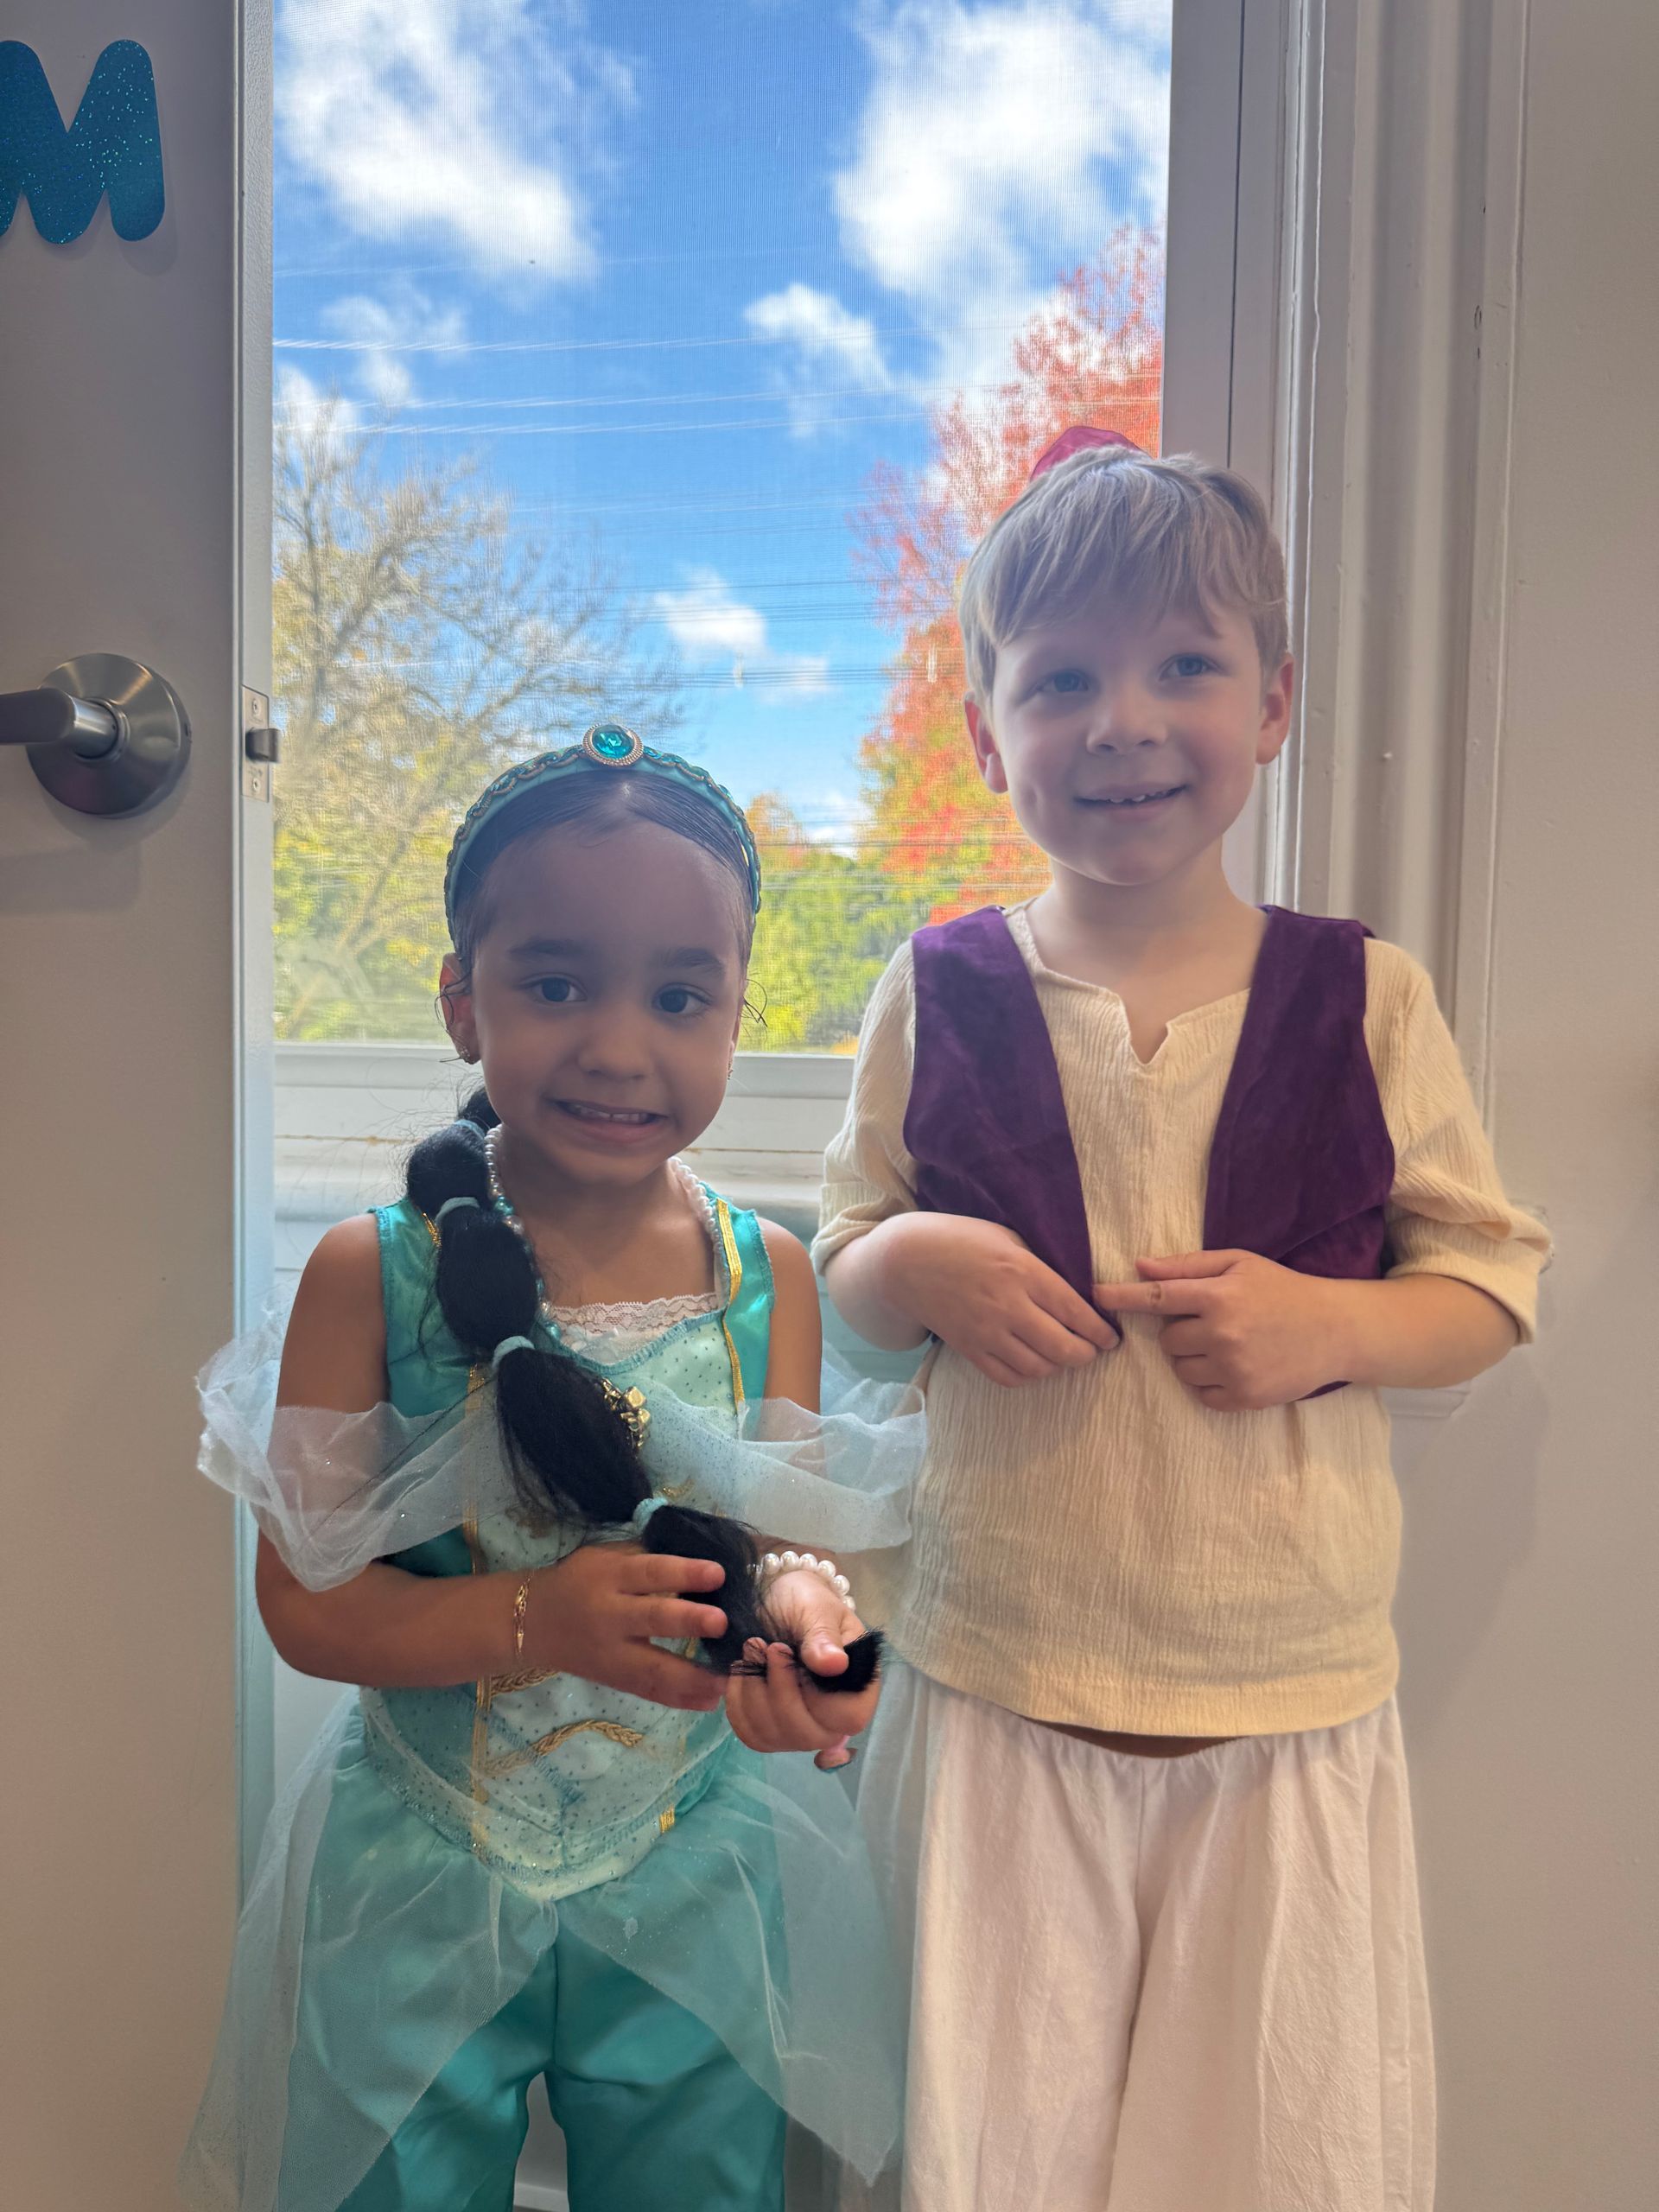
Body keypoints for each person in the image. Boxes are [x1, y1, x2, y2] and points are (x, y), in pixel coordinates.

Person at [817, 435, 1550, 2212]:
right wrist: (908, 1264)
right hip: (996, 1694)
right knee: (982, 2146)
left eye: (1185, 665)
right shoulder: (938, 985)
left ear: (1274, 701)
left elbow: (1486, 1286)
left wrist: (1332, 1325)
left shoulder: (1365, 996)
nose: (1124, 721)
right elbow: (840, 1252)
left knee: (1271, 2154)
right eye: (1062, 679)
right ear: (987, 734)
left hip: (1283, 1709)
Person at [183, 725, 920, 2212]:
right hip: (421, 1862)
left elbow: (779, 1551)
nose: (619, 1047)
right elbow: (306, 1606)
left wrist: (805, 1638)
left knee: (703, 2186)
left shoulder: (769, 1279)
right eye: (557, 985)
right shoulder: (371, 1275)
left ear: (736, 1013)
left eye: (679, 996)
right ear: (464, 1002)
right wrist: (537, 1620)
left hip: (697, 1863)